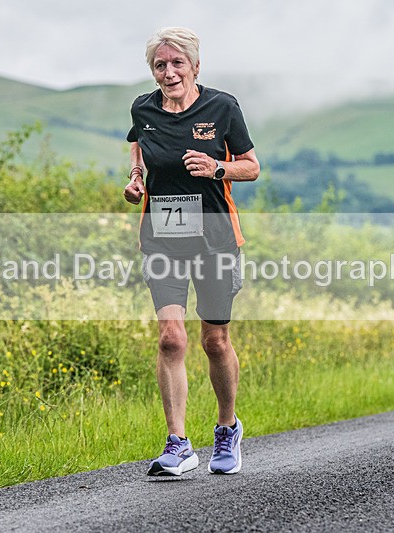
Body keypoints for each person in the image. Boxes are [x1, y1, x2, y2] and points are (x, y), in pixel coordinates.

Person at [123, 27, 260, 475]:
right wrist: (137, 177)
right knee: (170, 337)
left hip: (216, 239)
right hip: (162, 237)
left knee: (214, 341)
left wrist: (218, 166)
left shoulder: (222, 107)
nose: (168, 72)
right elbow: (137, 143)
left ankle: (226, 428)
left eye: (177, 63)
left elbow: (252, 167)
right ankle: (178, 443)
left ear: (195, 67)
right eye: (160, 65)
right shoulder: (143, 108)